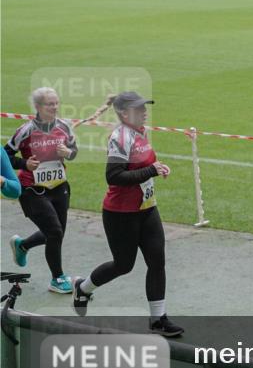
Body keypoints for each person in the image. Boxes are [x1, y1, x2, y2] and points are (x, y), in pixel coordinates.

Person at [71, 92, 183, 337]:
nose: (144, 111)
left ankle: (158, 319)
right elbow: (114, 176)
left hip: (147, 209)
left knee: (157, 261)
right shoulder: (120, 137)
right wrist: (150, 171)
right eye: (138, 108)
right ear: (123, 113)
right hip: (121, 213)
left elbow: (143, 166)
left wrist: (158, 167)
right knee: (124, 265)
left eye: (145, 107)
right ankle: (83, 287)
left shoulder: (140, 132)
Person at [5, 87, 77, 293]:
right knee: (54, 232)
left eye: (56, 103)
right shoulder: (25, 130)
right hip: (32, 190)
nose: (54, 107)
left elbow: (73, 151)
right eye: (49, 104)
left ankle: (22, 245)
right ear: (37, 107)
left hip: (59, 187)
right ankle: (57, 279)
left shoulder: (64, 126)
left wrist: (68, 152)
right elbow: (5, 155)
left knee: (56, 233)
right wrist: (24, 163)